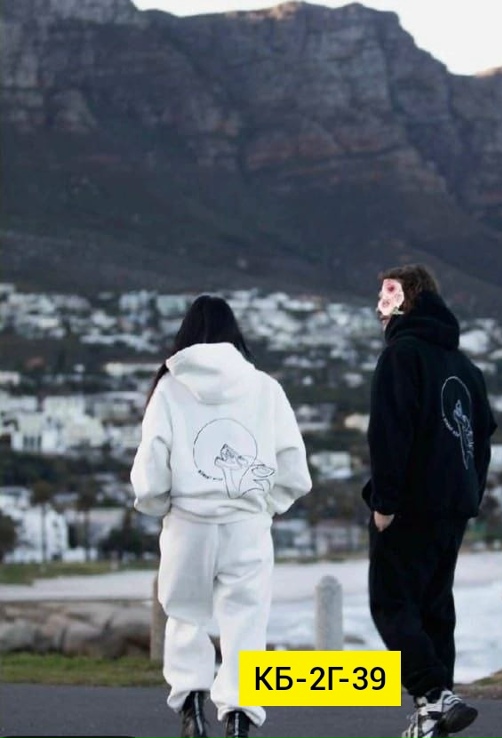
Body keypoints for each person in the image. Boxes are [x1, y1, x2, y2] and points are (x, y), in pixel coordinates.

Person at [131, 295, 312, 738]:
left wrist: (159, 504)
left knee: (185, 615)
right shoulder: (265, 388)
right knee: (246, 620)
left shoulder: (169, 389)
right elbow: (293, 468)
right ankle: (238, 718)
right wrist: (264, 506)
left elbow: (152, 461)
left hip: (187, 522)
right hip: (246, 523)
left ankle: (192, 707)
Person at [362, 265, 497, 738]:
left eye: (387, 299)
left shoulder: (401, 356)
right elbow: (483, 440)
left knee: (392, 603)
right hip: (453, 507)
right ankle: (434, 712)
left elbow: (389, 433)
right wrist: (470, 494)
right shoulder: (466, 368)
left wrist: (385, 503)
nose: (379, 309)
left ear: (407, 301)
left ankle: (433, 694)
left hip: (409, 506)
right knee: (435, 608)